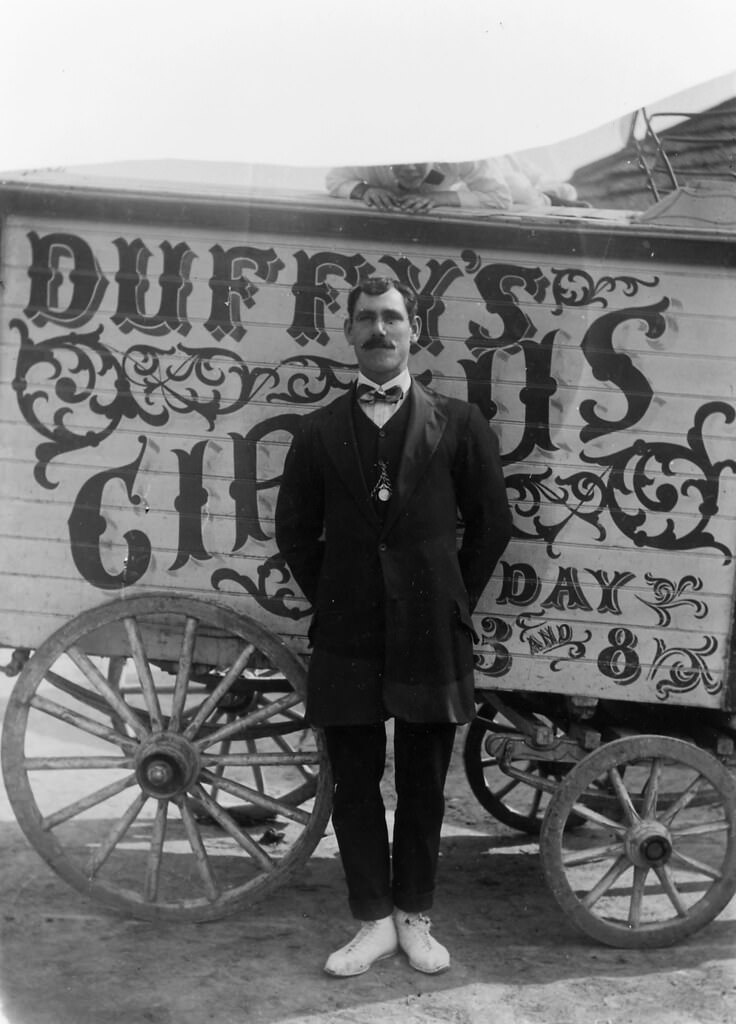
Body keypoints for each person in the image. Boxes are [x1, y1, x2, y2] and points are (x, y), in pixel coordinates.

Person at [275, 276, 512, 977]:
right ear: (348, 334)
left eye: (392, 318)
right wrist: (341, 597)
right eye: (366, 319)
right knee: (353, 781)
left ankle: (414, 916)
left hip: (430, 633)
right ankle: (371, 921)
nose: (380, 330)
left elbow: (491, 526)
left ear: (416, 332)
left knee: (423, 782)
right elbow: (294, 532)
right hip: (346, 634)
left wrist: (447, 599)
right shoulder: (318, 431)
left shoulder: (459, 424)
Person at [325, 158, 580, 213]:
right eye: (401, 162)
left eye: (418, 161)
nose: (410, 169)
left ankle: (555, 197)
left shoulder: (459, 155)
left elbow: (500, 198)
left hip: (500, 170)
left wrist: (440, 199)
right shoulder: (374, 158)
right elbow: (334, 179)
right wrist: (366, 190)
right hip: (458, 186)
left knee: (520, 189)